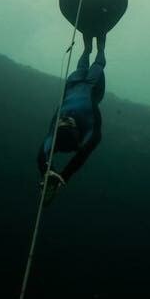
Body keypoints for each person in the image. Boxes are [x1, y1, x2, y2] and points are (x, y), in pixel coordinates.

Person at [37, 33, 107, 201]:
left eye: (63, 123)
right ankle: (100, 44)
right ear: (78, 135)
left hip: (73, 84)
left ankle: (87, 48)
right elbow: (83, 154)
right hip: (91, 86)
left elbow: (41, 155)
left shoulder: (52, 135)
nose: (66, 120)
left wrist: (48, 172)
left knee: (82, 65)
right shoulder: (90, 129)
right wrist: (64, 176)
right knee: (99, 63)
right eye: (70, 125)